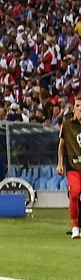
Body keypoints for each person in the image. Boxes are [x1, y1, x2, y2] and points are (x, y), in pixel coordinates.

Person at [59, 97, 81, 239]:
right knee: (74, 193)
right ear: (73, 108)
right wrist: (60, 163)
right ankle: (75, 227)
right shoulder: (67, 124)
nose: (80, 108)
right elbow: (61, 145)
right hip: (74, 167)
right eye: (78, 105)